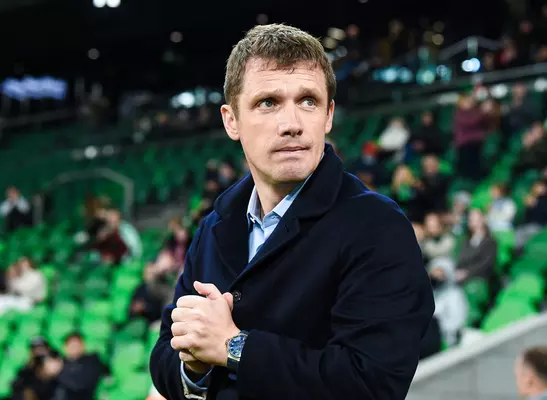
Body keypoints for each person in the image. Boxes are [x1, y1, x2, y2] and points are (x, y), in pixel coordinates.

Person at [150, 24, 434, 400]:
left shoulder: (378, 227)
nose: (292, 125)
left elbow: (371, 385)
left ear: (328, 115)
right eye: (268, 103)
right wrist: (194, 366)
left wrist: (234, 347)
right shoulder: (214, 227)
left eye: (308, 101)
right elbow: (166, 354)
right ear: (231, 120)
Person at [53, 332, 108, 400]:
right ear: (65, 347)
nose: (75, 348)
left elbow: (102, 375)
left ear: (83, 346)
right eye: (72, 345)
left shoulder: (93, 360)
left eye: (77, 345)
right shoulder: (58, 364)